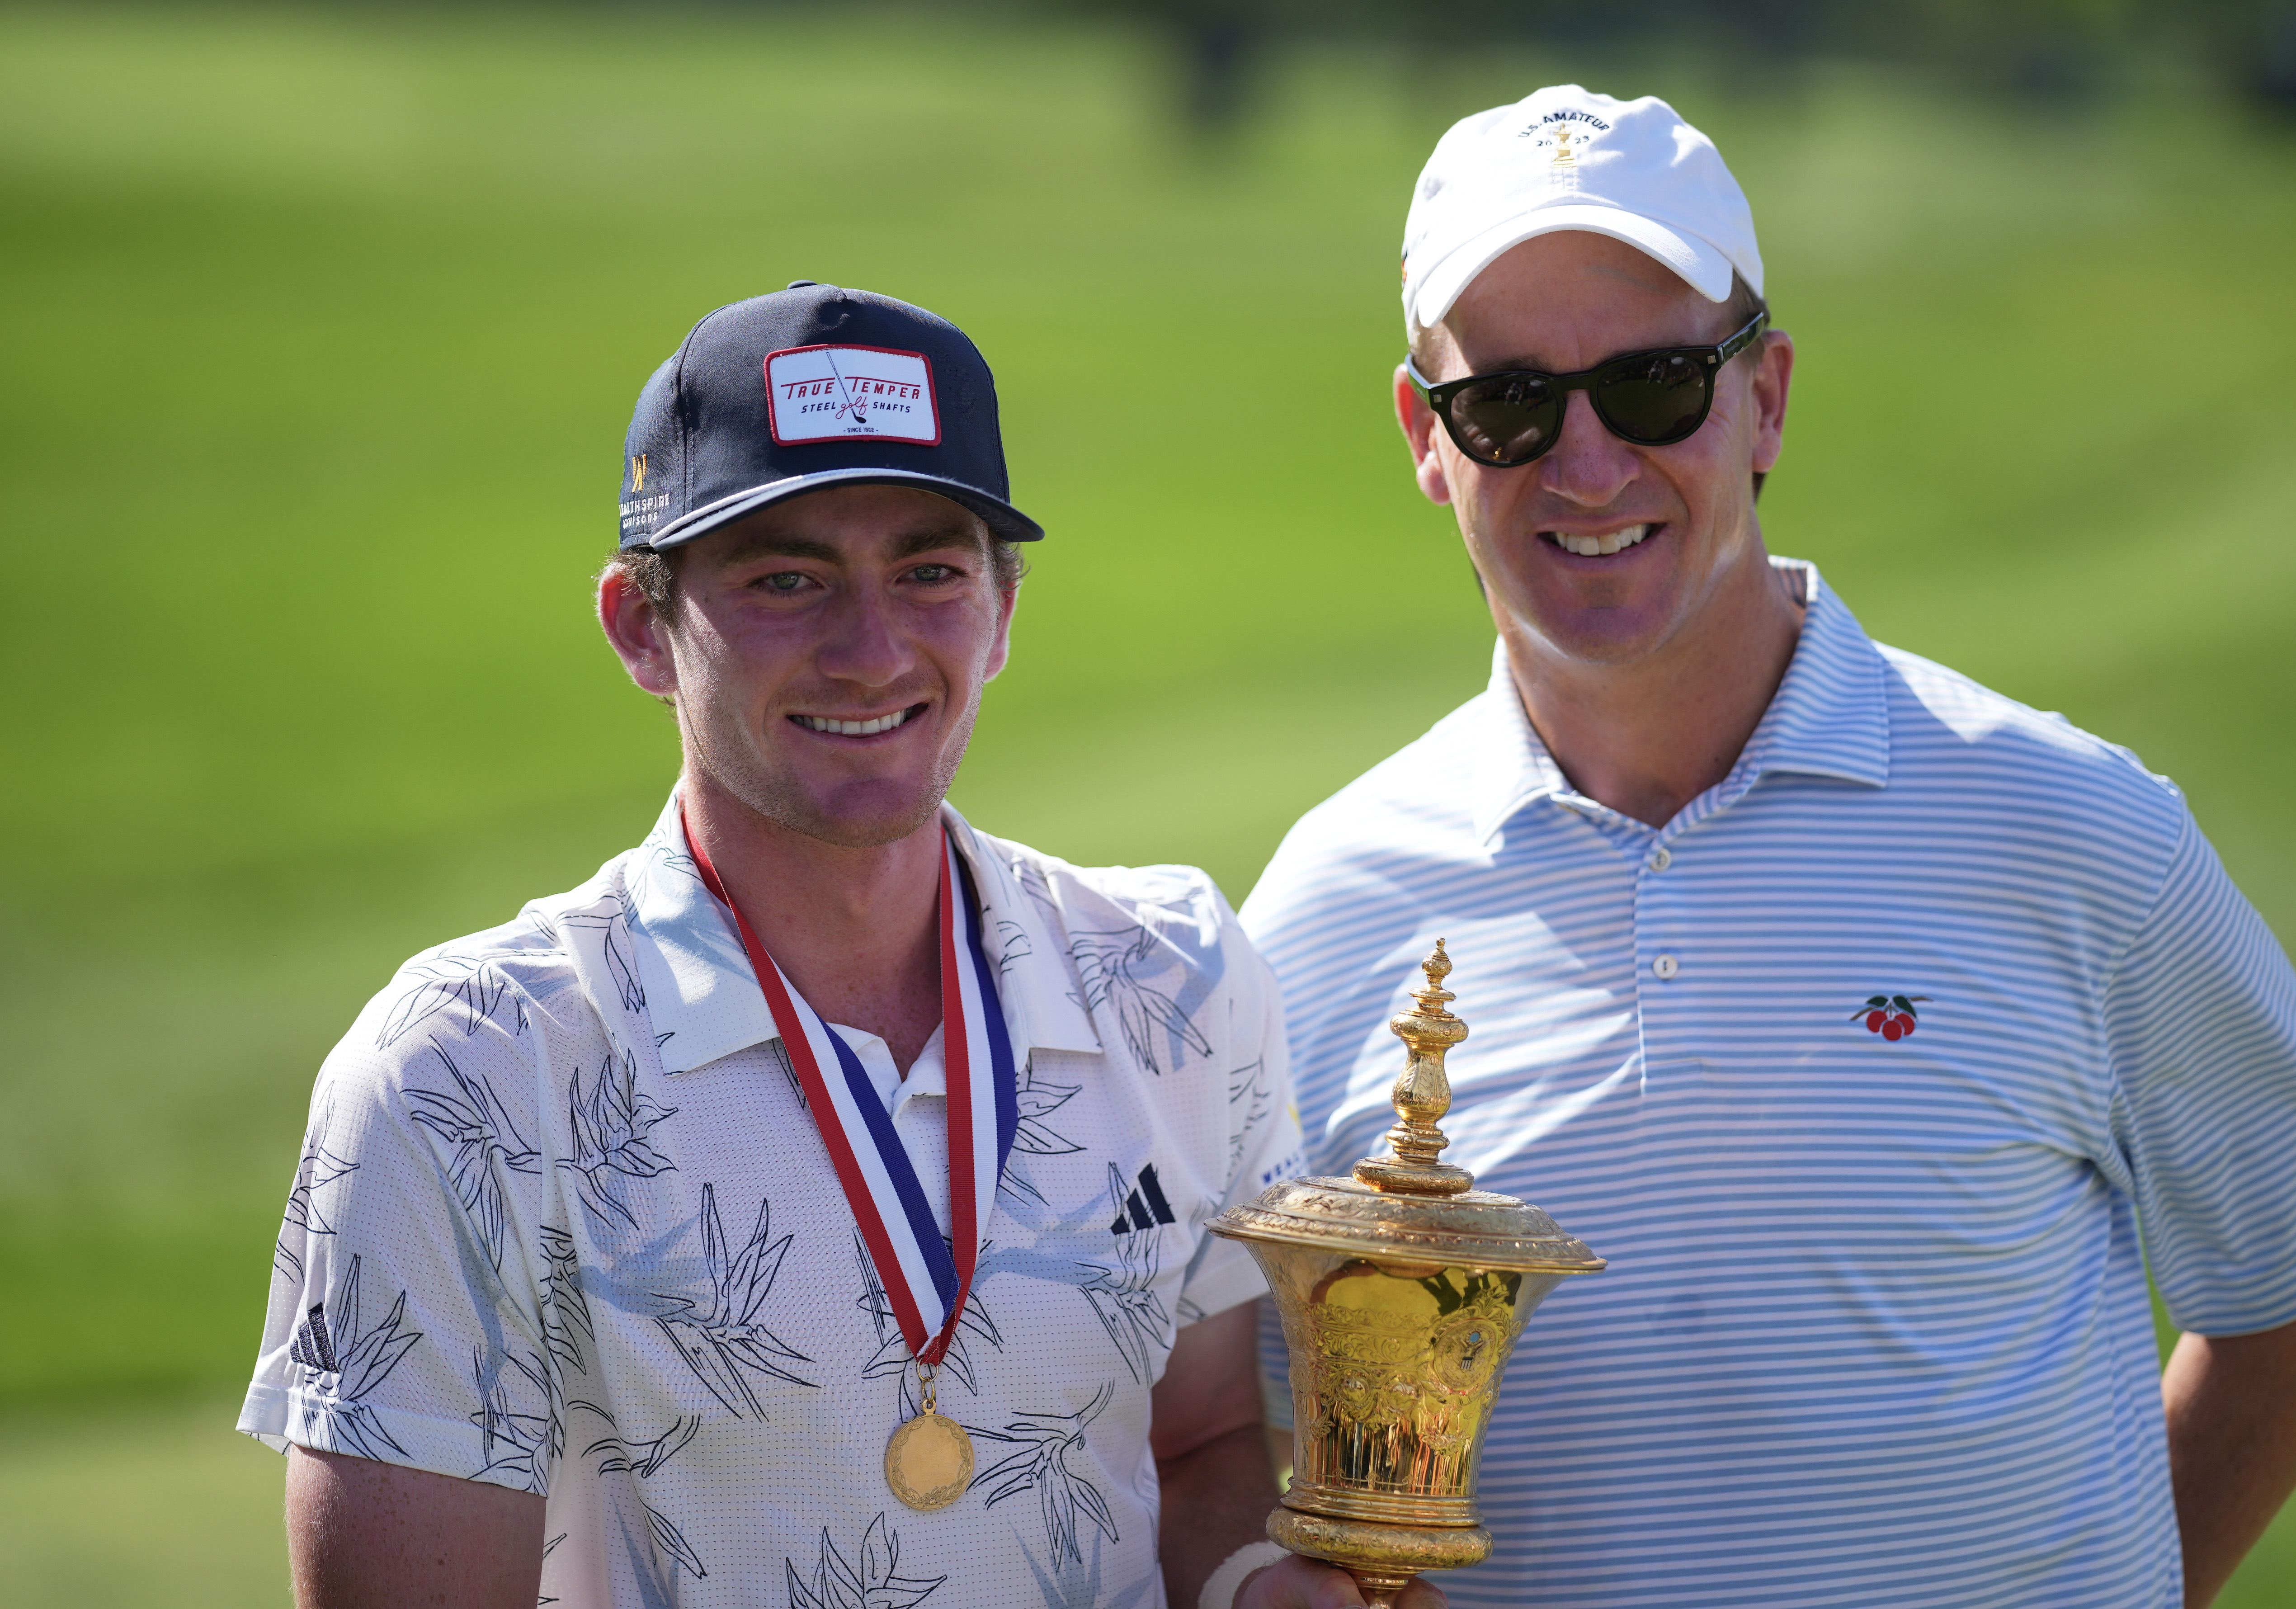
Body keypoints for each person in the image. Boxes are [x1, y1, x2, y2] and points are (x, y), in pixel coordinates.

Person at [1240, 86, 2296, 1609]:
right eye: (1511, 403)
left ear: (1766, 397)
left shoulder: (2070, 828)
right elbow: (1240, 1428)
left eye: (1656, 384)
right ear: (1425, 436)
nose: (1586, 466)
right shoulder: (1325, 907)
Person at [239, 281, 1419, 1609]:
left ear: (1005, 609)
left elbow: (1198, 1438)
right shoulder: (461, 1071)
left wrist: (1255, 1590)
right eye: (785, 579)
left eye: (928, 571)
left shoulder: (1175, 976)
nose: (870, 650)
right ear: (641, 627)